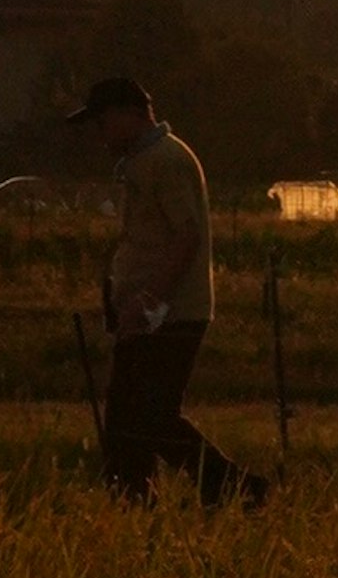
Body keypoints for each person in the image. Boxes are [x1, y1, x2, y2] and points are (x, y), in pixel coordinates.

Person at [72, 72, 263, 504]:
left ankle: (231, 487)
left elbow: (186, 235)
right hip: (147, 314)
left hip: (170, 314)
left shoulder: (166, 161)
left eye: (102, 123)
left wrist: (148, 299)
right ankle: (133, 497)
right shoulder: (145, 162)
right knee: (128, 418)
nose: (98, 135)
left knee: (148, 416)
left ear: (128, 115)